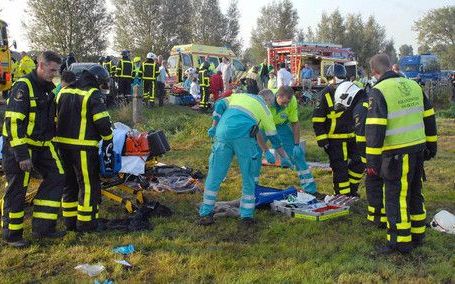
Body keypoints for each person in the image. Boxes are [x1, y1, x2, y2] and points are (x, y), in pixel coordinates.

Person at [365, 54, 437, 254]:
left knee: (396, 197)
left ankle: (400, 242)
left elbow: (375, 129)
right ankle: (418, 233)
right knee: (415, 192)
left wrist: (372, 161)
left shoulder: (378, 91)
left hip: (396, 154)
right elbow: (429, 117)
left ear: (374, 72)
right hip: (418, 149)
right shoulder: (413, 86)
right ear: (390, 66)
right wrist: (432, 145)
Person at [1, 51, 65, 248]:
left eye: (57, 71)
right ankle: (12, 235)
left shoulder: (48, 88)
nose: (54, 74)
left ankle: (43, 228)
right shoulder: (23, 87)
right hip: (19, 146)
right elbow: (13, 124)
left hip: (43, 145)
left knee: (57, 175)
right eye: (52, 70)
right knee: (17, 188)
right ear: (41, 65)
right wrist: (21, 155)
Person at [199, 91, 292, 226]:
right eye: (271, 104)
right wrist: (283, 157)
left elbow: (219, 104)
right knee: (248, 175)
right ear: (268, 100)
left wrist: (214, 126)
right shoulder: (264, 108)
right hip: (243, 137)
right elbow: (273, 135)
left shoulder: (238, 96)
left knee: (214, 174)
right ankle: (246, 217)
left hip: (222, 133)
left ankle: (206, 213)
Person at [55, 64, 113, 232]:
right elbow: (102, 121)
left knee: (69, 184)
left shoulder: (63, 92)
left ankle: (69, 222)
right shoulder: (92, 94)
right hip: (84, 148)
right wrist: (108, 139)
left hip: (62, 147)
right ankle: (86, 224)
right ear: (96, 81)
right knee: (88, 186)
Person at [334, 81, 386, 227]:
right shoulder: (368, 100)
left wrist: (367, 162)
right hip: (388, 150)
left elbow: (363, 139)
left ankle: (377, 220)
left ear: (348, 97)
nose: (346, 110)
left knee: (373, 185)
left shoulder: (359, 109)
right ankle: (383, 216)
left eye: (344, 106)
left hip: (374, 154)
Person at [255, 87, 322, 198]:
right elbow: (256, 127)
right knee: (254, 154)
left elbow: (295, 123)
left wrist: (296, 144)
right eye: (284, 102)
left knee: (297, 154)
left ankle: (310, 189)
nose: (286, 105)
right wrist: (265, 150)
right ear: (277, 97)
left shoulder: (292, 101)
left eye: (288, 102)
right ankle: (252, 188)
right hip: (263, 127)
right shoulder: (265, 99)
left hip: (281, 125)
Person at [312, 63, 364, 196]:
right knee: (340, 168)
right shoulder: (324, 94)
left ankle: (352, 190)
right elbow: (318, 119)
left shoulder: (352, 90)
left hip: (353, 136)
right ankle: (342, 195)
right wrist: (323, 140)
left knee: (359, 163)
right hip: (334, 139)